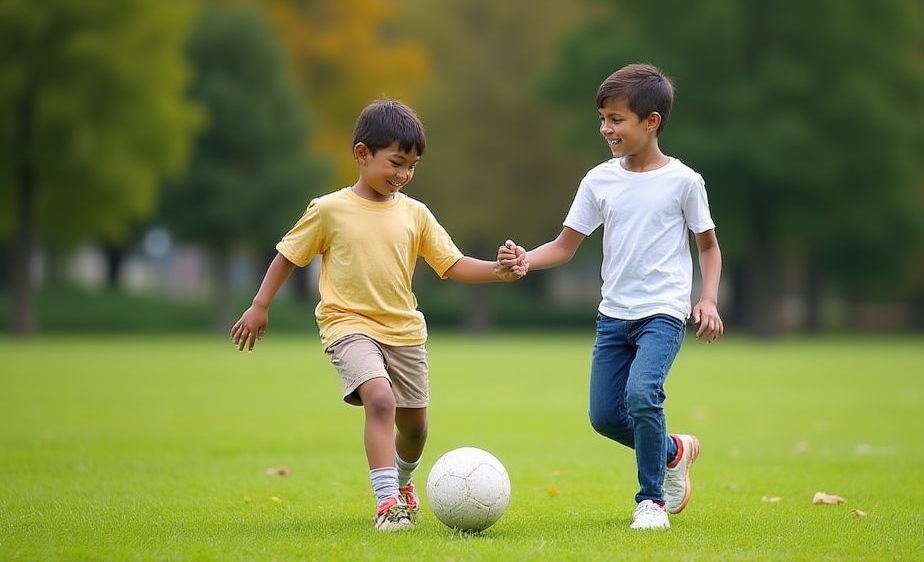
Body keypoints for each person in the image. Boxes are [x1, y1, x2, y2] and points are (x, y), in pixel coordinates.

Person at [230, 99, 526, 532]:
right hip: (347, 325)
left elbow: (452, 264)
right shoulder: (329, 209)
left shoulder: (415, 213)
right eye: (396, 162)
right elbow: (287, 255)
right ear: (362, 154)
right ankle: (388, 504)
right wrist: (260, 305)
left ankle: (404, 482)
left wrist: (497, 271)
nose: (403, 175)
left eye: (412, 166)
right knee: (381, 400)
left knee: (416, 428)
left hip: (404, 331)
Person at [499, 63, 724, 530]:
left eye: (617, 119)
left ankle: (651, 501)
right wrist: (525, 259)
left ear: (651, 122)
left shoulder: (684, 182)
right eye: (603, 118)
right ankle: (674, 451)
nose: (606, 129)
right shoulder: (599, 180)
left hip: (662, 312)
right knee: (604, 416)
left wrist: (708, 300)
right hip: (613, 317)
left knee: (644, 395)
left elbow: (709, 247)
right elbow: (564, 246)